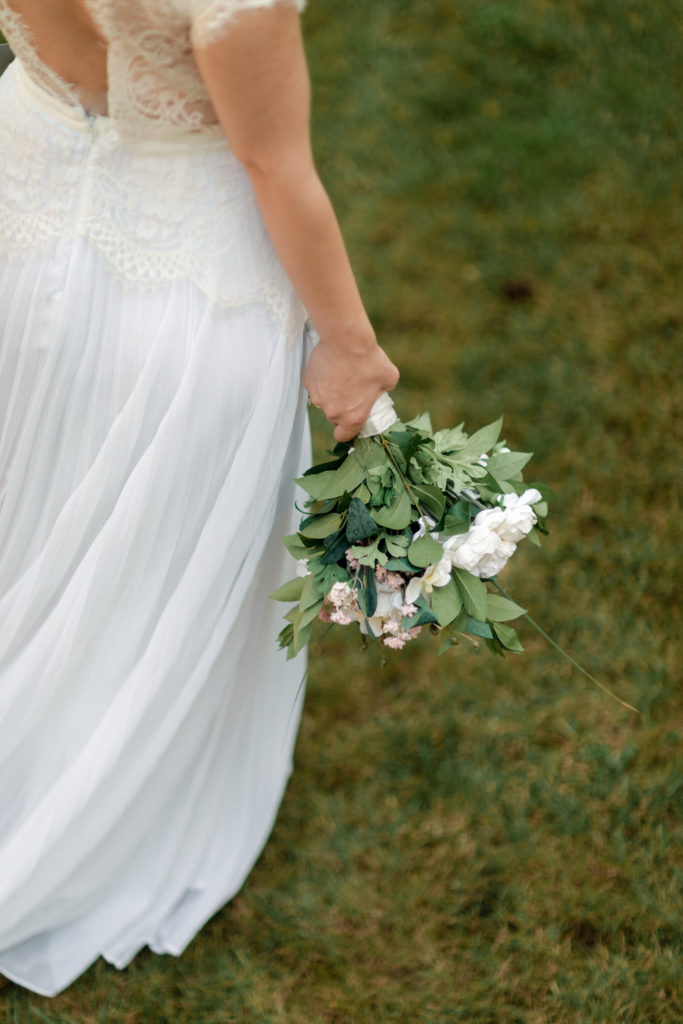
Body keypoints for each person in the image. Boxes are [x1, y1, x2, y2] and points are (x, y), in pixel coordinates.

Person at [0, 0, 398, 996]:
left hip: (23, 225)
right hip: (180, 305)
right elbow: (274, 167)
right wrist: (351, 350)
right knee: (132, 572)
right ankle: (70, 806)